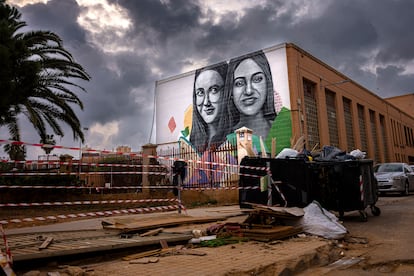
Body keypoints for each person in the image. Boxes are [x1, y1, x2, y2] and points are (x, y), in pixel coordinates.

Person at [225, 51, 276, 139]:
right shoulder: (225, 138)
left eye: (257, 79)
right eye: (239, 83)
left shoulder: (281, 128)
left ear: (268, 83)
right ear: (231, 92)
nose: (248, 91)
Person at [189, 62, 232, 152]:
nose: (206, 102)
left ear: (227, 92)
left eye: (214, 90)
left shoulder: (235, 139)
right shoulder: (191, 143)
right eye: (200, 92)